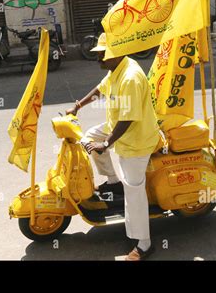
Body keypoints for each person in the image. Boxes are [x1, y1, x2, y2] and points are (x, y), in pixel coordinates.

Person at [66, 33, 160, 261]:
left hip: (137, 140)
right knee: (88, 137)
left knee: (134, 191)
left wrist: (106, 143)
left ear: (115, 54)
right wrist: (78, 105)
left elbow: (128, 119)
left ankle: (145, 244)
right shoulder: (116, 69)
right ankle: (112, 181)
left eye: (102, 55)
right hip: (118, 129)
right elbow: (100, 89)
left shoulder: (130, 78)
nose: (98, 59)